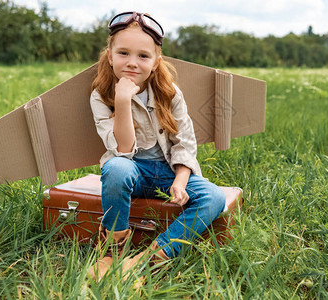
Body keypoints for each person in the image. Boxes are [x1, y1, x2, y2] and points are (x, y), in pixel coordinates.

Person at [87, 11, 226, 280]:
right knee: (116, 169)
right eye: (123, 53)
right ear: (110, 55)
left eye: (143, 56)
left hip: (167, 171)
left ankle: (152, 256)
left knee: (214, 197)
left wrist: (182, 180)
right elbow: (123, 150)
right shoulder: (101, 96)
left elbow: (184, 142)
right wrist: (123, 100)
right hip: (132, 171)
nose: (132, 63)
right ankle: (112, 249)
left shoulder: (169, 92)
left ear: (155, 61)